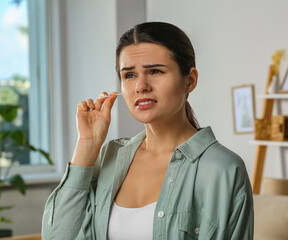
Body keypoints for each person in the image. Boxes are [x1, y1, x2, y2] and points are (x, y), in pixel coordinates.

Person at [42, 22, 254, 240]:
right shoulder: (110, 158)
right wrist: (87, 144)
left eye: (155, 71)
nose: (141, 86)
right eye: (130, 75)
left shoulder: (223, 169)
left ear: (189, 81)